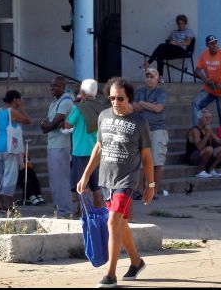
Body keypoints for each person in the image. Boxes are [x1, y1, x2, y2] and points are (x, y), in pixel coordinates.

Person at [77, 77, 154, 288]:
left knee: (112, 222)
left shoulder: (139, 122)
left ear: (129, 97)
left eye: (120, 98)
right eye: (111, 98)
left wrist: (150, 185)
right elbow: (99, 148)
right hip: (106, 179)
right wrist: (85, 175)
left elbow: (147, 157)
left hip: (127, 180)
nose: (115, 102)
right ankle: (136, 262)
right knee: (121, 223)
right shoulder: (103, 116)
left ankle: (110, 274)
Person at [64, 79, 105, 208]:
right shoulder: (101, 108)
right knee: (96, 187)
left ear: (82, 92)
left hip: (80, 152)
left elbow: (68, 124)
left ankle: (84, 213)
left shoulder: (78, 108)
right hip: (97, 152)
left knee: (82, 185)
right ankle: (98, 212)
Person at [40, 76, 75, 217]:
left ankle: (65, 211)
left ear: (63, 86)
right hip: (53, 144)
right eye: (51, 86)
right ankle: (58, 209)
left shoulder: (66, 101)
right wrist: (48, 125)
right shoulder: (55, 102)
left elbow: (52, 123)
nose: (52, 88)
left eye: (55, 86)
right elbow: (48, 125)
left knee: (61, 180)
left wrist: (48, 125)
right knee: (54, 180)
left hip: (61, 145)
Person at [132, 68, 169, 197]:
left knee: (157, 162)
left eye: (152, 76)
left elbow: (158, 108)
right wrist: (148, 105)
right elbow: (133, 107)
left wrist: (142, 103)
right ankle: (140, 190)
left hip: (158, 129)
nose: (149, 78)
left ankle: (153, 190)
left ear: (157, 79)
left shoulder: (161, 93)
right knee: (141, 162)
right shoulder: (140, 91)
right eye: (147, 76)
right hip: (142, 130)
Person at [0, 89, 31, 211]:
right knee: (10, 176)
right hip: (9, 147)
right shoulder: (12, 111)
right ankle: (7, 205)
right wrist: (22, 108)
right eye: (20, 100)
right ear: (15, 100)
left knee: (0, 176)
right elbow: (28, 121)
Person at [192, 35, 221, 125]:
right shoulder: (204, 54)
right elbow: (197, 71)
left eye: (215, 43)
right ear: (207, 45)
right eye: (211, 44)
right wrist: (205, 80)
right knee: (196, 103)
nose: (214, 45)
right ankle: (197, 130)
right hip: (211, 88)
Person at [144, 15, 194, 79]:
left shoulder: (188, 31)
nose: (180, 25)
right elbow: (168, 41)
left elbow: (187, 43)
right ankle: (160, 77)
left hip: (181, 50)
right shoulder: (173, 32)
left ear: (185, 23)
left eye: (182, 24)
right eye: (179, 24)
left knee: (161, 46)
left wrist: (176, 43)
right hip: (172, 50)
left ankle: (148, 62)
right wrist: (170, 43)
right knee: (160, 53)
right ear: (177, 24)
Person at [186, 109, 221, 178]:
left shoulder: (208, 129)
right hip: (194, 156)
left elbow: (219, 141)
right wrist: (207, 135)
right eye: (206, 118)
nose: (208, 120)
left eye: (210, 118)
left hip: (206, 154)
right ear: (200, 119)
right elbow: (199, 147)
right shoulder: (195, 130)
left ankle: (210, 170)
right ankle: (200, 171)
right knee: (209, 149)